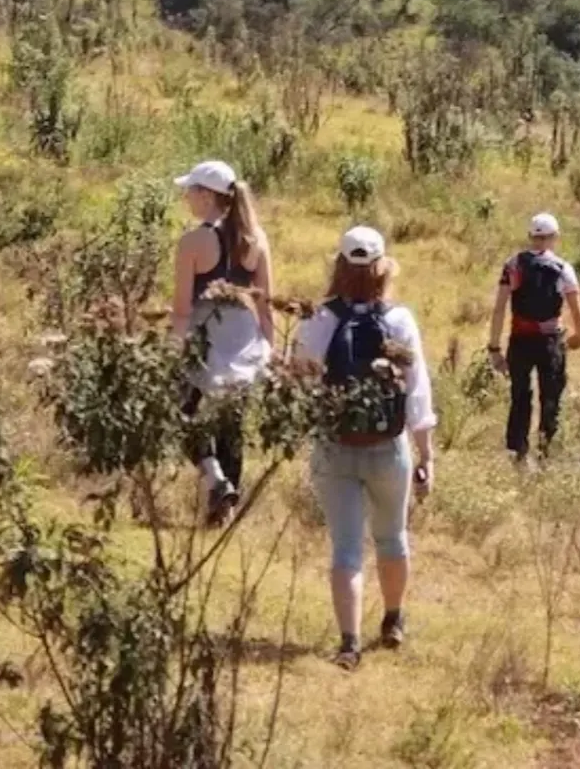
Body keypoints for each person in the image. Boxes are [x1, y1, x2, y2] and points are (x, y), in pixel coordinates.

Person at [294, 226, 436, 671]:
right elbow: (417, 392)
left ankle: (349, 643)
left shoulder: (319, 319)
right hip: (387, 446)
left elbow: (301, 380)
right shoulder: (399, 321)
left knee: (346, 548)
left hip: (334, 446)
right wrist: (426, 454)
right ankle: (393, 620)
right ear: (384, 268)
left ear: (338, 265)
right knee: (392, 537)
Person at [172, 159, 274, 527]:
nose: (186, 197)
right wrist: (271, 351)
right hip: (245, 340)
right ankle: (225, 511)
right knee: (232, 425)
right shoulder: (256, 239)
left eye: (190, 191)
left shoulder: (193, 242)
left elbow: (182, 308)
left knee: (181, 412)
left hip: (206, 338)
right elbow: (265, 303)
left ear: (206, 195)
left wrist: (174, 348)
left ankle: (215, 479)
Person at [488, 211, 580, 462]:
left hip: (520, 340)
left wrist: (494, 348)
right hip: (550, 341)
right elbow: (576, 309)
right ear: (555, 237)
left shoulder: (513, 265)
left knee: (520, 396)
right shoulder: (563, 268)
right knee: (551, 397)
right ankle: (546, 452)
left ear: (530, 236)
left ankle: (517, 452)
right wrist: (578, 335)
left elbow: (499, 308)